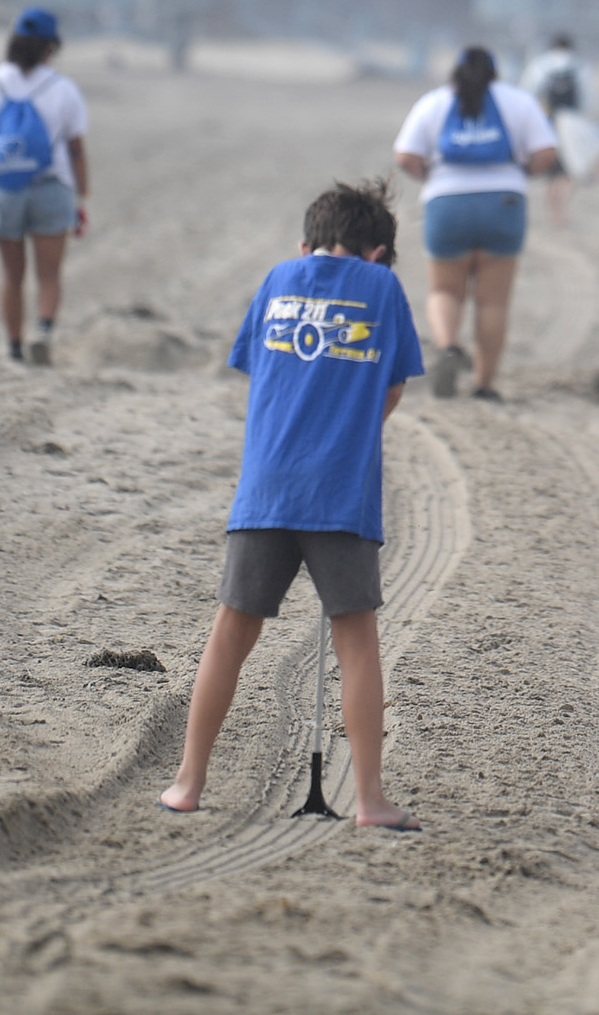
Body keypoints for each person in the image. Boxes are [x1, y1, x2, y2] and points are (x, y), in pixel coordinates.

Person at [158, 178, 428, 831]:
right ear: (377, 254)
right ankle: (369, 799)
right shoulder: (383, 288)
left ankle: (188, 782)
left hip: (266, 488)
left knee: (231, 632)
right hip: (341, 491)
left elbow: (262, 372)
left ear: (308, 242)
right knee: (356, 639)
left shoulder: (279, 277)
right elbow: (391, 390)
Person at [390, 45, 558, 402]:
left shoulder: (434, 102)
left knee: (444, 291)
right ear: (495, 72)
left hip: (447, 201)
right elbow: (546, 152)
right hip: (504, 201)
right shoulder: (519, 101)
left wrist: (428, 176)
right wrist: (521, 173)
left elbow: (405, 155)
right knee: (493, 302)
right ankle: (484, 384)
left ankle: (448, 346)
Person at [0, 8, 89, 366]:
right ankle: (43, 329)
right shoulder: (63, 88)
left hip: (1, 188)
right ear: (51, 47)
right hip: (51, 184)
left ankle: (14, 347)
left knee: (12, 276)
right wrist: (81, 195)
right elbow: (76, 148)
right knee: (49, 273)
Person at [521, 32, 588, 222]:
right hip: (572, 124)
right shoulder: (579, 66)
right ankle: (561, 210)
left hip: (547, 123)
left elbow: (527, 94)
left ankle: (553, 210)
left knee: (551, 169)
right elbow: (587, 101)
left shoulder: (541, 65)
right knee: (570, 169)